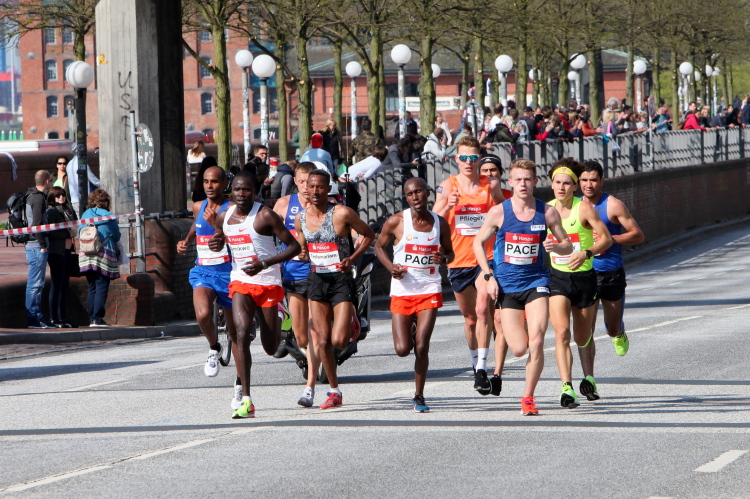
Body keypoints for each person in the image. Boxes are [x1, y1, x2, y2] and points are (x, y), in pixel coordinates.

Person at [473, 158, 573, 416]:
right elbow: (478, 243)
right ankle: (520, 335)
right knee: (519, 348)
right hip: (507, 285)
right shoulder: (499, 212)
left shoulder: (547, 212)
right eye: (518, 179)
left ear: (535, 181)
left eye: (528, 179)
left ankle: (528, 397)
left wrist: (556, 246)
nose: (523, 184)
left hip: (537, 281)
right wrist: (488, 276)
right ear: (510, 182)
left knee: (537, 342)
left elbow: (568, 246)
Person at [209, 172, 301, 418]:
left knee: (270, 348)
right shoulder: (223, 217)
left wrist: (264, 263)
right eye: (237, 190)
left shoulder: (265, 216)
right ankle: (246, 399)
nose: (241, 194)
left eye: (247, 190)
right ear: (231, 191)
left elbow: (295, 247)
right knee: (240, 334)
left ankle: (280, 316)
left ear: (255, 191)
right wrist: (216, 244)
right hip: (241, 281)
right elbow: (219, 238)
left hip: (268, 282)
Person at [294, 168, 375, 409]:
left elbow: (369, 234)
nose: (315, 191)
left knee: (339, 341)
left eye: (320, 187)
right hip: (317, 280)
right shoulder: (301, 218)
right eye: (311, 186)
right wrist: (302, 253)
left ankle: (352, 317)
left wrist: (352, 258)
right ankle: (334, 390)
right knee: (321, 340)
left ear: (328, 189)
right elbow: (302, 246)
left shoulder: (341, 213)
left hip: (340, 280)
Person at [432, 137, 507, 394]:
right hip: (458, 260)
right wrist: (447, 206)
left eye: (473, 158)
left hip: (486, 258)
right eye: (463, 157)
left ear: (479, 159)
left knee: (483, 308)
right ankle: (476, 363)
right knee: (471, 319)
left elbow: (505, 213)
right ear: (456, 159)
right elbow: (432, 221)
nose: (468, 162)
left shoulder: (490, 185)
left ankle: (482, 370)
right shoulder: (447, 186)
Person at [374, 177, 454, 413]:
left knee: (422, 346)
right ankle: (411, 328)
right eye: (410, 194)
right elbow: (379, 246)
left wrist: (443, 258)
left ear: (427, 193)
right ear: (406, 198)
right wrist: (391, 267)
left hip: (429, 288)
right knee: (402, 349)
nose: (415, 197)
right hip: (403, 290)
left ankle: (419, 395)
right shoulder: (397, 221)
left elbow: (450, 253)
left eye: (418, 192)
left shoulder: (440, 223)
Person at [545, 159, 613, 408]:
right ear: (551, 185)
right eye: (557, 183)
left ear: (574, 186)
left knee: (582, 336)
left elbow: (606, 239)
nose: (561, 187)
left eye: (567, 183)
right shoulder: (545, 210)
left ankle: (589, 378)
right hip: (557, 278)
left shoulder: (583, 209)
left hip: (584, 277)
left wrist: (586, 253)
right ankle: (567, 387)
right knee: (562, 333)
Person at [578, 161, 644, 398]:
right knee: (586, 329)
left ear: (601, 181)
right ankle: (589, 380)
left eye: (593, 180)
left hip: (611, 272)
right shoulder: (574, 206)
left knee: (611, 328)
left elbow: (638, 234)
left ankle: (619, 332)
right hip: (585, 273)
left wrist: (611, 239)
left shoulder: (613, 205)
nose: (588, 184)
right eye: (584, 180)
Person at [177, 166, 242, 406]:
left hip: (229, 274)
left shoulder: (232, 209)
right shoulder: (198, 206)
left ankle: (240, 385)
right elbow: (196, 225)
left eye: (214, 181)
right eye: (205, 181)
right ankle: (214, 347)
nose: (209, 186)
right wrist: (186, 240)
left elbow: (237, 238)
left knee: (237, 334)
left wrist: (217, 225)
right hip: (203, 270)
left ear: (224, 184)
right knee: (203, 314)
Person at [272, 161, 322, 407]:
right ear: (295, 181)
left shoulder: (323, 206)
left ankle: (309, 387)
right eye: (301, 182)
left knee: (314, 332)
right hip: (292, 274)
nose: (305, 187)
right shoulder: (284, 205)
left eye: (308, 182)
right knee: (301, 337)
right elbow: (265, 231)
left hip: (317, 274)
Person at [78, 188, 122, 327]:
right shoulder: (108, 216)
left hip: (86, 254)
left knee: (92, 286)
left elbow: (79, 231)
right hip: (103, 254)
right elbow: (117, 235)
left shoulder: (85, 214)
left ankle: (91, 318)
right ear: (106, 202)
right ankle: (97, 318)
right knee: (102, 284)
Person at [45, 186, 78, 328]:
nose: (61, 198)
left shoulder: (68, 210)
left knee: (64, 285)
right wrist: (67, 234)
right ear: (52, 197)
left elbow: (74, 224)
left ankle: (63, 317)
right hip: (57, 251)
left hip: (67, 251)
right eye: (58, 196)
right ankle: (54, 318)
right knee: (56, 284)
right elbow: (51, 233)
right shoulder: (51, 211)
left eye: (63, 195)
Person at [25, 170, 53, 328]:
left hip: (34, 245)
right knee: (35, 284)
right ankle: (34, 318)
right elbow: (36, 224)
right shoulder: (38, 198)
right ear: (47, 181)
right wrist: (43, 245)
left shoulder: (32, 195)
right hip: (36, 246)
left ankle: (37, 316)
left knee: (38, 283)